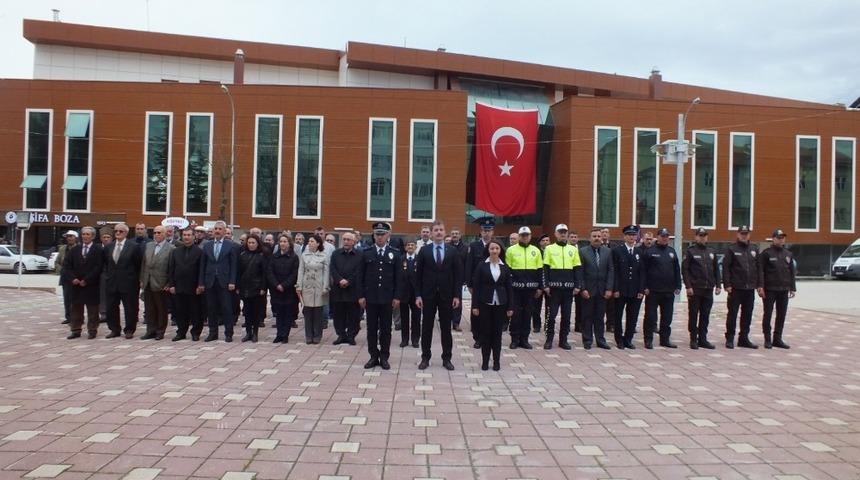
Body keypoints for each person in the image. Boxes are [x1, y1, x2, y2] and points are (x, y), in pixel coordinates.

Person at [415, 220, 463, 370]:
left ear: (444, 231)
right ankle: (425, 358)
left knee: (445, 329)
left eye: (441, 230)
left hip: (447, 295)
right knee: (427, 328)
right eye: (435, 230)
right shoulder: (424, 251)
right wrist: (418, 295)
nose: (438, 232)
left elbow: (458, 275)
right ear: (431, 232)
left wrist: (457, 296)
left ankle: (446, 358)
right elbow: (418, 275)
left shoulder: (452, 251)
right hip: (428, 295)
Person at [359, 222, 402, 370]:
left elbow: (398, 277)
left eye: (382, 234)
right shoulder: (366, 253)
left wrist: (397, 296)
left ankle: (384, 356)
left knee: (385, 329)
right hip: (370, 298)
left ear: (388, 235)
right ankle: (373, 356)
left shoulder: (395, 253)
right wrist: (361, 296)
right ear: (373, 235)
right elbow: (361, 277)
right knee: (371, 328)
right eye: (377, 234)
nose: (380, 237)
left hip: (387, 298)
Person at [471, 240, 514, 371]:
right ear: (488, 250)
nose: (494, 251)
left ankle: (496, 361)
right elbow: (476, 287)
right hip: (485, 303)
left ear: (500, 250)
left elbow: (509, 288)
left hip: (501, 304)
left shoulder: (505, 267)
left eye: (497, 248)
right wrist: (475, 306)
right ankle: (485, 361)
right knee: (485, 333)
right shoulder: (481, 266)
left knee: (497, 334)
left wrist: (510, 307)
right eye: (492, 249)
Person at [542, 224, 582, 350]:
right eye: (560, 232)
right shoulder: (549, 248)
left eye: (565, 232)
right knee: (551, 315)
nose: (563, 234)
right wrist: (546, 285)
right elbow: (545, 268)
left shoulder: (573, 249)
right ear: (555, 234)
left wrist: (577, 285)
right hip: (554, 289)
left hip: (568, 289)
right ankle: (549, 339)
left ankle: (563, 340)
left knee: (566, 316)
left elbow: (577, 268)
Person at [198, 220, 238, 342]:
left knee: (226, 308)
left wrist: (232, 281)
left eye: (220, 229)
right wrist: (201, 283)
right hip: (210, 281)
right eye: (216, 229)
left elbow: (234, 265)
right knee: (211, 308)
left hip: (225, 282)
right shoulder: (207, 245)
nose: (217, 231)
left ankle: (228, 333)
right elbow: (202, 265)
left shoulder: (230, 245)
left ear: (225, 232)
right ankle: (213, 333)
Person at [642, 228, 682, 349]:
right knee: (650, 316)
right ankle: (648, 340)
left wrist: (678, 285)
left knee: (667, 317)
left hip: (668, 291)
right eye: (662, 236)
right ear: (657, 237)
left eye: (667, 236)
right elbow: (643, 271)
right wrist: (645, 286)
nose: (665, 238)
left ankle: (665, 340)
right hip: (653, 290)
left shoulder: (672, 251)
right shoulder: (649, 251)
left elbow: (676, 270)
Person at [682, 227, 722, 349]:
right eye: (700, 235)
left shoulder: (711, 251)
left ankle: (703, 339)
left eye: (704, 235)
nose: (702, 237)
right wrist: (688, 286)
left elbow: (716, 269)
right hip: (695, 289)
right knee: (694, 314)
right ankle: (693, 338)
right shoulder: (690, 251)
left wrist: (718, 285)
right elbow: (685, 270)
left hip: (708, 288)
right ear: (696, 237)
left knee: (705, 315)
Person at [757, 229, 796, 349]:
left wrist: (792, 287)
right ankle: (767, 339)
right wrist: (760, 286)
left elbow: (791, 272)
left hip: (783, 289)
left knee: (781, 315)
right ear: (773, 238)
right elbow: (760, 271)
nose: (781, 239)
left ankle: (777, 339)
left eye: (783, 237)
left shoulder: (788, 254)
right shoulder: (766, 253)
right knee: (768, 314)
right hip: (770, 289)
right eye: (778, 237)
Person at [506, 226, 543, 349]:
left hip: (531, 290)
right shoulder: (511, 250)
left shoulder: (536, 251)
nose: (525, 237)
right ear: (519, 236)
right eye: (522, 235)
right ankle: (514, 339)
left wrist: (539, 288)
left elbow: (539, 270)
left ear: (530, 236)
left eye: (527, 235)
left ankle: (525, 339)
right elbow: (508, 270)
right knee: (515, 315)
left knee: (528, 314)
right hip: (516, 289)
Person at [103, 223, 143, 339]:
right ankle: (114, 329)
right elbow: (106, 264)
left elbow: (138, 264)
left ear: (126, 233)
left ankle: (129, 330)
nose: (118, 233)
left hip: (129, 283)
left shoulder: (134, 247)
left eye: (120, 231)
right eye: (116, 231)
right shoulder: (109, 247)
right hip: (112, 283)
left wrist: (136, 279)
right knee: (111, 307)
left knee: (130, 308)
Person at [723, 225, 760, 349]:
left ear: (749, 234)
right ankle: (729, 338)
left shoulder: (754, 248)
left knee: (747, 314)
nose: (744, 236)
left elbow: (758, 268)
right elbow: (726, 268)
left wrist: (759, 285)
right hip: (735, 288)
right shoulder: (732, 249)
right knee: (732, 314)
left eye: (746, 233)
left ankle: (743, 338)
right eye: (742, 233)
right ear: (738, 235)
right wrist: (727, 284)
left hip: (749, 288)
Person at [63, 226, 103, 339]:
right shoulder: (74, 250)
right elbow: (67, 266)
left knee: (93, 310)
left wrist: (87, 280)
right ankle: (75, 329)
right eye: (83, 234)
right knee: (76, 308)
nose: (85, 236)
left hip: (91, 285)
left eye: (88, 234)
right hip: (76, 285)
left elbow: (99, 267)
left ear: (93, 236)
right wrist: (73, 278)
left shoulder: (98, 250)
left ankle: (92, 330)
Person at [465, 217, 499, 349]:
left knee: (490, 311)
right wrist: (469, 284)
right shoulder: (474, 246)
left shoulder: (497, 246)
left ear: (493, 232)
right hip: (478, 285)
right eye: (484, 230)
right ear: (481, 231)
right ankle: (477, 337)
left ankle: (488, 336)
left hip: (492, 285)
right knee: (476, 311)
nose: (487, 233)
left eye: (489, 230)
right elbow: (469, 266)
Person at [578, 228, 614, 349]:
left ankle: (600, 340)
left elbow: (611, 271)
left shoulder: (608, 252)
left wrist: (609, 288)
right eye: (594, 236)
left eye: (599, 236)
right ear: (590, 238)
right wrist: (583, 289)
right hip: (588, 290)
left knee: (600, 317)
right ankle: (587, 340)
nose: (597, 238)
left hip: (602, 291)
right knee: (587, 316)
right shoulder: (582, 252)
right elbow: (580, 272)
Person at [167, 227, 204, 341]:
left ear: (194, 237)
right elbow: (171, 269)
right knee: (180, 311)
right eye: (185, 235)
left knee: (195, 311)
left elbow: (202, 270)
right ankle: (181, 332)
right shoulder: (176, 251)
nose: (186, 237)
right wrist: (171, 284)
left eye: (189, 235)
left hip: (193, 287)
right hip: (179, 286)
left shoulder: (199, 252)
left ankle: (195, 332)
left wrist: (200, 284)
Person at [612, 225, 645, 349]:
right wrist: (615, 289)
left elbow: (642, 273)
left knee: (633, 316)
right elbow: (614, 271)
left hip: (635, 291)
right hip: (620, 290)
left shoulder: (639, 252)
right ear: (624, 236)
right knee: (618, 316)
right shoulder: (617, 251)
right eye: (629, 235)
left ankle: (628, 339)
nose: (632, 237)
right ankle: (619, 339)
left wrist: (641, 289)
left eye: (634, 235)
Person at [140, 226, 175, 340]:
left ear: (165, 234)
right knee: (149, 308)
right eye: (155, 232)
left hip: (161, 283)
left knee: (161, 309)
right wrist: (142, 279)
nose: (156, 234)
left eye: (159, 232)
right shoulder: (148, 246)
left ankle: (160, 331)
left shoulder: (171, 248)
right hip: (148, 281)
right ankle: (150, 330)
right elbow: (144, 264)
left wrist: (169, 284)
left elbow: (172, 268)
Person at [329, 231, 362, 345]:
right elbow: (332, 268)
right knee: (338, 314)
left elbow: (359, 271)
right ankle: (341, 335)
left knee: (353, 315)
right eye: (344, 239)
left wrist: (348, 281)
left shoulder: (359, 255)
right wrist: (339, 280)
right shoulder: (336, 253)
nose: (346, 242)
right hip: (338, 290)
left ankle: (351, 336)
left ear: (354, 241)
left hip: (352, 290)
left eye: (349, 240)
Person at [297, 235, 329, 344]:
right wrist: (299, 286)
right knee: (308, 312)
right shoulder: (304, 255)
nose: (309, 243)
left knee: (318, 313)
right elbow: (301, 271)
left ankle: (317, 335)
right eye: (309, 241)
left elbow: (326, 272)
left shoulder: (324, 256)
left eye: (312, 241)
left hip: (319, 287)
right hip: (307, 287)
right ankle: (308, 335)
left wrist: (325, 286)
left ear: (318, 243)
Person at [268, 234, 300, 343]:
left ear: (289, 243)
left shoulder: (294, 257)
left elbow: (294, 274)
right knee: (278, 313)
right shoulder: (274, 256)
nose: (282, 243)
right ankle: (279, 334)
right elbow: (270, 272)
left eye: (285, 241)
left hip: (288, 290)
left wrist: (284, 285)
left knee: (287, 313)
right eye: (281, 241)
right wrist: (276, 284)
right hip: (276, 290)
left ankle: (285, 335)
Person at [238, 234, 268, 342]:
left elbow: (265, 273)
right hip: (245, 287)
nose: (251, 245)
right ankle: (248, 333)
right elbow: (239, 272)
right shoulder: (242, 255)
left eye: (253, 243)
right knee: (247, 312)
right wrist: (238, 286)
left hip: (257, 287)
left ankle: (255, 333)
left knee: (256, 312)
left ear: (257, 244)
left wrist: (263, 288)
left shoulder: (262, 256)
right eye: (249, 243)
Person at [398, 240, 421, 348]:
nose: (410, 246)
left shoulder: (420, 259)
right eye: (408, 245)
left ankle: (415, 340)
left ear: (416, 247)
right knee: (404, 318)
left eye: (412, 244)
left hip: (416, 295)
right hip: (403, 294)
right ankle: (404, 339)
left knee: (416, 318)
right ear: (405, 247)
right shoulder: (400, 259)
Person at [56, 230, 79, 325]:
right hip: (65, 278)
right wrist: (62, 270)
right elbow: (57, 262)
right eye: (68, 236)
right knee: (66, 299)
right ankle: (68, 317)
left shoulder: (79, 248)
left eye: (71, 236)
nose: (69, 238)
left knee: (76, 299)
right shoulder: (62, 248)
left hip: (75, 278)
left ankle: (76, 317)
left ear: (76, 238)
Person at [449, 228, 468, 332]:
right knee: (446, 300)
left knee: (458, 301)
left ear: (460, 235)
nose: (455, 235)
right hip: (447, 278)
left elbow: (467, 264)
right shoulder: (446, 247)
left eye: (456, 233)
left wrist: (465, 278)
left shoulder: (465, 248)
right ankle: (447, 320)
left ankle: (456, 323)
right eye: (453, 233)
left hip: (459, 279)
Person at [533, 233, 552, 333]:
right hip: (538, 284)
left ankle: (547, 324)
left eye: (547, 240)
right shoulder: (536, 252)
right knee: (536, 307)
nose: (545, 242)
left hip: (549, 284)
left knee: (549, 307)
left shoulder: (553, 252)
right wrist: (539, 286)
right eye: (543, 240)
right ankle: (536, 325)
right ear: (540, 243)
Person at [98, 228, 114, 324]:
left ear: (111, 238)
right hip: (101, 275)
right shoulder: (97, 248)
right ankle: (103, 313)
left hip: (112, 275)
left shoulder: (114, 247)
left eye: (108, 237)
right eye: (104, 237)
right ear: (101, 238)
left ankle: (111, 314)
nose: (106, 239)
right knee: (102, 295)